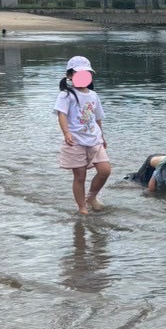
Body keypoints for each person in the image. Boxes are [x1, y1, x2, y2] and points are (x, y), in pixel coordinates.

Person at [55, 55, 111, 214]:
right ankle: (82, 207)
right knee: (80, 176)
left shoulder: (93, 95)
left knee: (105, 170)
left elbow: (97, 118)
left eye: (87, 73)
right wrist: (66, 133)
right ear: (70, 75)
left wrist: (102, 137)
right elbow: (62, 115)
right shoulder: (66, 95)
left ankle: (91, 197)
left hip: (94, 139)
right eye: (79, 73)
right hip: (76, 141)